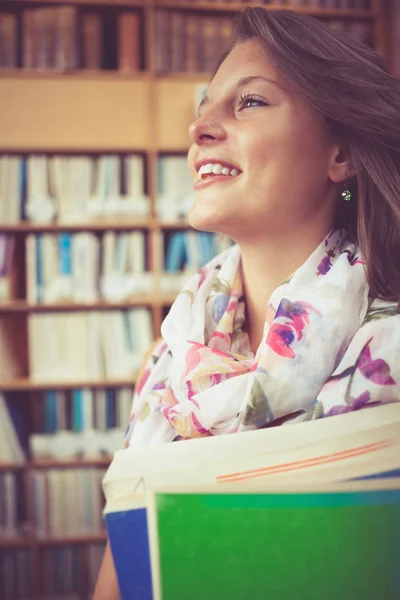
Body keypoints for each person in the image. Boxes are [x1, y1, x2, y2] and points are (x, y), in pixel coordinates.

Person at [93, 6, 400, 598]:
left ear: (340, 154)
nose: (200, 127)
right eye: (203, 106)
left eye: (250, 102)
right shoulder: (169, 365)